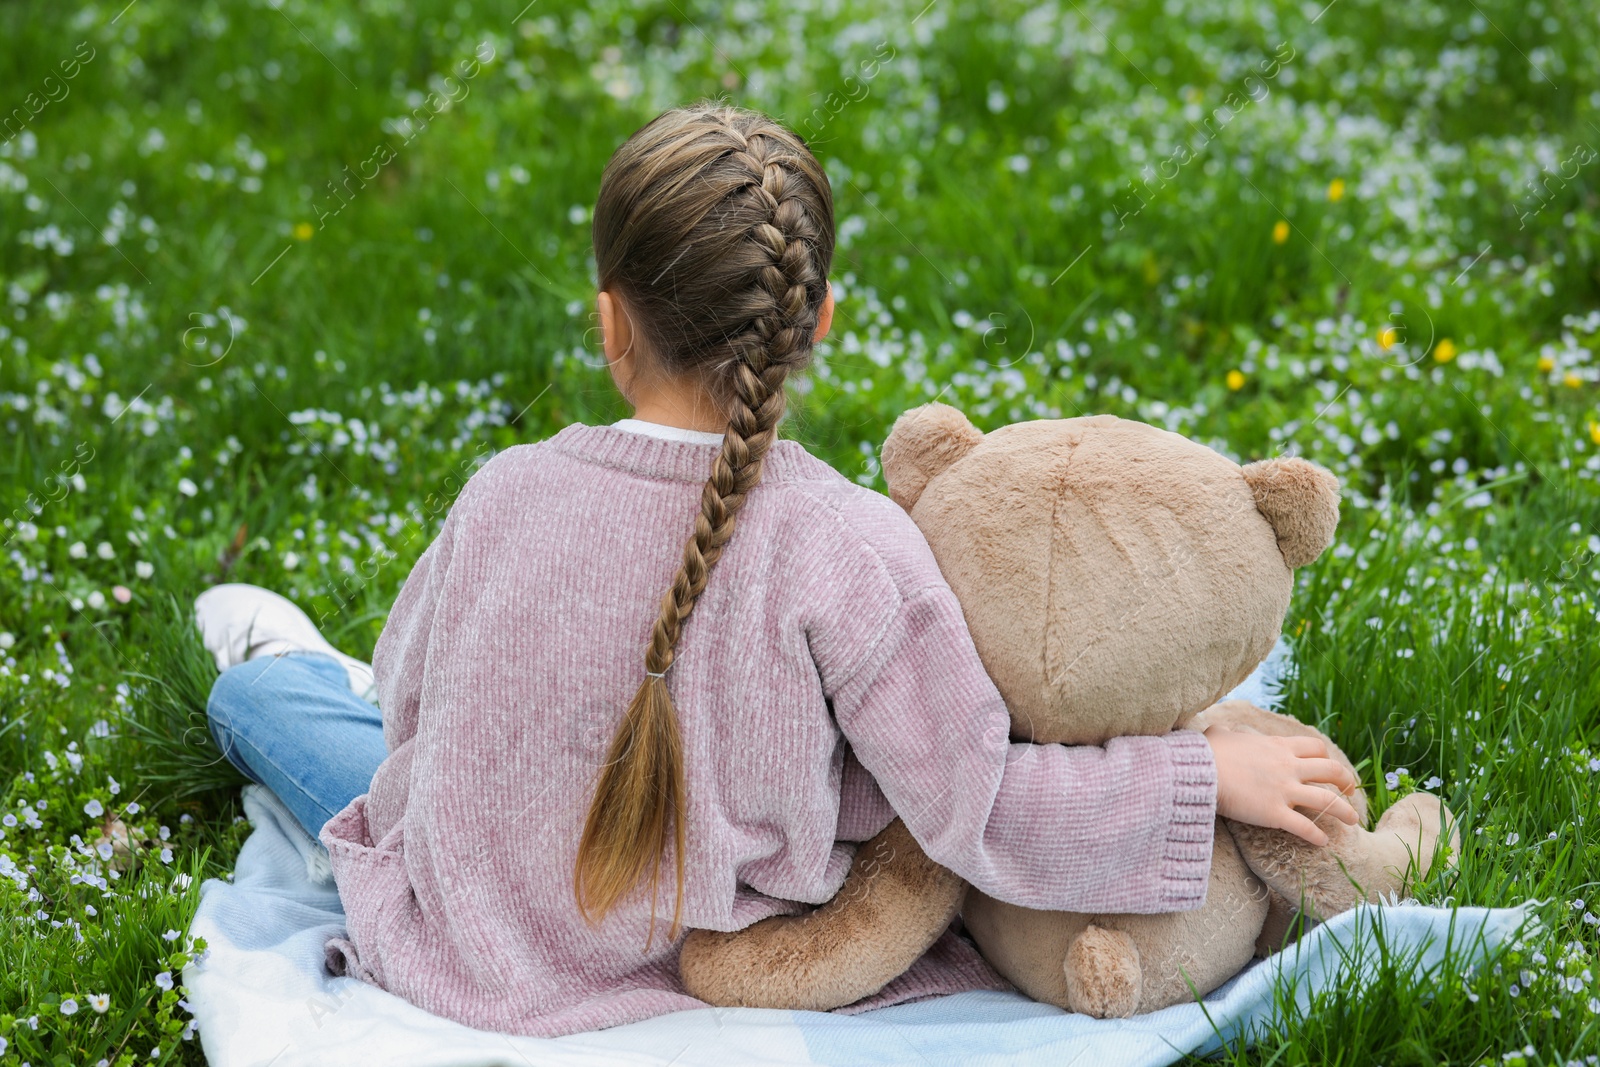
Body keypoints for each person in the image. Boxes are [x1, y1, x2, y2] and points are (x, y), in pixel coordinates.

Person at [199, 102, 1358, 1038]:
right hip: (721, 951)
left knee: (266, 701)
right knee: (295, 703)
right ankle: (286, 661)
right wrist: (1200, 783)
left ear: (611, 323)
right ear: (820, 319)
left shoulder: (500, 490)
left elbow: (411, 718)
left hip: (471, 930)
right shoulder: (849, 544)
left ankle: (281, 658)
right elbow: (974, 799)